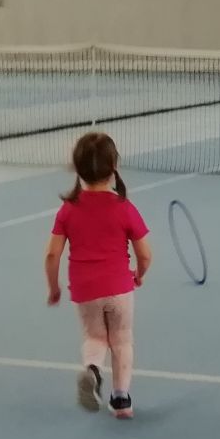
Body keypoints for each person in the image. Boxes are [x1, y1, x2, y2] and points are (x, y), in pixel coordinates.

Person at [45, 132, 151, 420]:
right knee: (121, 340)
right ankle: (121, 398)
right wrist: (139, 274)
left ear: (77, 168)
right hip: (119, 287)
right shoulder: (124, 207)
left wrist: (54, 288)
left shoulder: (68, 210)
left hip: (85, 289)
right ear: (114, 165)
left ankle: (92, 370)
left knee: (94, 337)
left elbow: (52, 254)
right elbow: (145, 254)